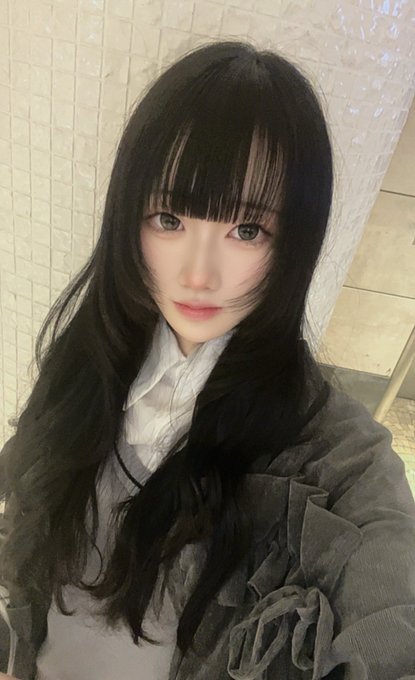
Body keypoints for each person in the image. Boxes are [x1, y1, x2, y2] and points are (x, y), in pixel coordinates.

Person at [1, 39, 415, 680]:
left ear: (294, 241)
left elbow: (393, 607)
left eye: (246, 230)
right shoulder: (86, 360)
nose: (199, 274)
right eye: (169, 218)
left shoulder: (334, 456)